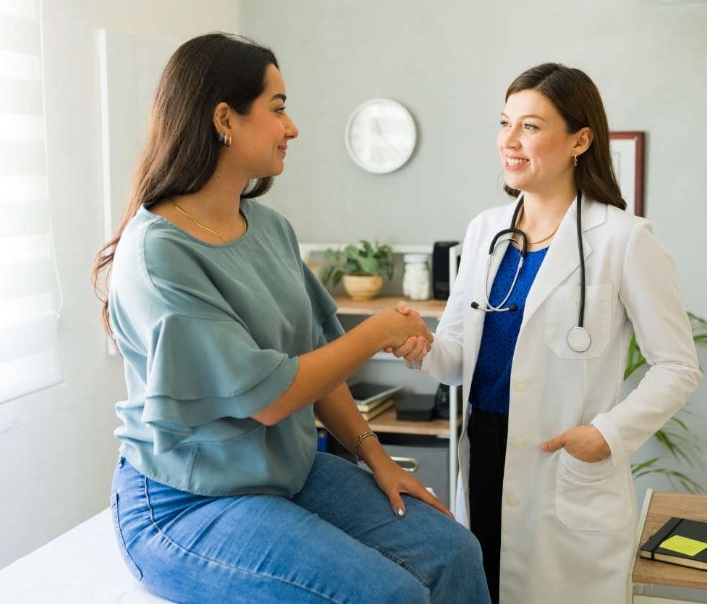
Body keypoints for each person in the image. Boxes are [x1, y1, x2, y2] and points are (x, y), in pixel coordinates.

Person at [92, 33, 490, 604]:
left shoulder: (271, 230)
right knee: (387, 595)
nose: (292, 127)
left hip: (287, 472)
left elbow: (317, 364)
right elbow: (272, 396)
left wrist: (378, 459)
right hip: (187, 501)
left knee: (455, 551)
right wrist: (377, 331)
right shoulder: (158, 252)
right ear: (224, 119)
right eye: (278, 109)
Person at [391, 63, 702, 603]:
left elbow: (678, 366)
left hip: (563, 458)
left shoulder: (625, 240)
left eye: (530, 127)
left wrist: (605, 434)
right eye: (505, 122)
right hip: (485, 454)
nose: (509, 141)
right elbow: (458, 358)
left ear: (580, 140)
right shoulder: (486, 230)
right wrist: (421, 345)